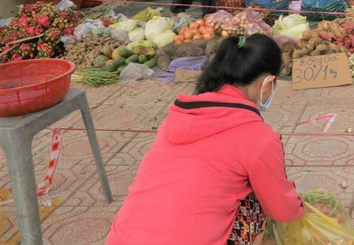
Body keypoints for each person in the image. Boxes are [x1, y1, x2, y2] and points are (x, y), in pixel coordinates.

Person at [106, 34, 304, 245]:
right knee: (257, 200)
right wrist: (302, 206)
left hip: (123, 238)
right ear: (267, 83)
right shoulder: (258, 136)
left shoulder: (179, 117)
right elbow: (282, 210)